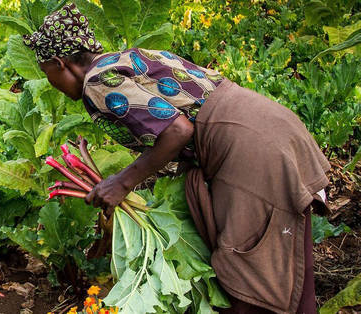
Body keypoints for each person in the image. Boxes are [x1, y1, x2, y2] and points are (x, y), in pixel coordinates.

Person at [24, 4, 329, 314]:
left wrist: (122, 184)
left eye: (47, 73)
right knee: (287, 254)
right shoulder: (128, 58)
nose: (51, 83)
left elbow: (178, 130)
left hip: (246, 148)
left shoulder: (97, 82)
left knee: (248, 274)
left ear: (60, 63)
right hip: (271, 126)